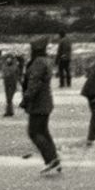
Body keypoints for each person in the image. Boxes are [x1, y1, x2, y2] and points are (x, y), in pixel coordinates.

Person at [21, 38, 61, 174]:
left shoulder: (38, 63)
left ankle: (50, 159)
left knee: (33, 132)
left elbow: (34, 84)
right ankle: (54, 158)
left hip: (38, 103)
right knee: (43, 131)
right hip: (46, 102)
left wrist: (26, 99)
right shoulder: (46, 61)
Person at [0, 52, 24, 118]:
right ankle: (9, 111)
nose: (8, 60)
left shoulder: (14, 67)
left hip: (12, 83)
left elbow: (18, 75)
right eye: (8, 58)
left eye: (10, 58)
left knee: (9, 98)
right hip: (7, 83)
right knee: (8, 98)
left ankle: (9, 111)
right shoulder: (7, 66)